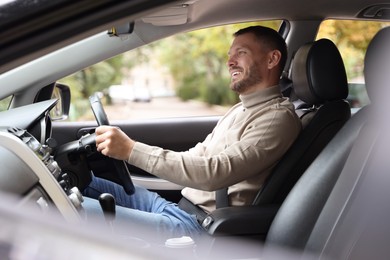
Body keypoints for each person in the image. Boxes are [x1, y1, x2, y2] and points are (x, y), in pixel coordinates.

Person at [82, 26, 302, 243]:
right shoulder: (240, 110)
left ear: (272, 59)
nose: (230, 62)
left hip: (196, 228)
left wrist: (131, 150)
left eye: (241, 53)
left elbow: (215, 173)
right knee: (80, 181)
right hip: (179, 209)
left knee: (71, 211)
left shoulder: (277, 119)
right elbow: (197, 156)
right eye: (230, 55)